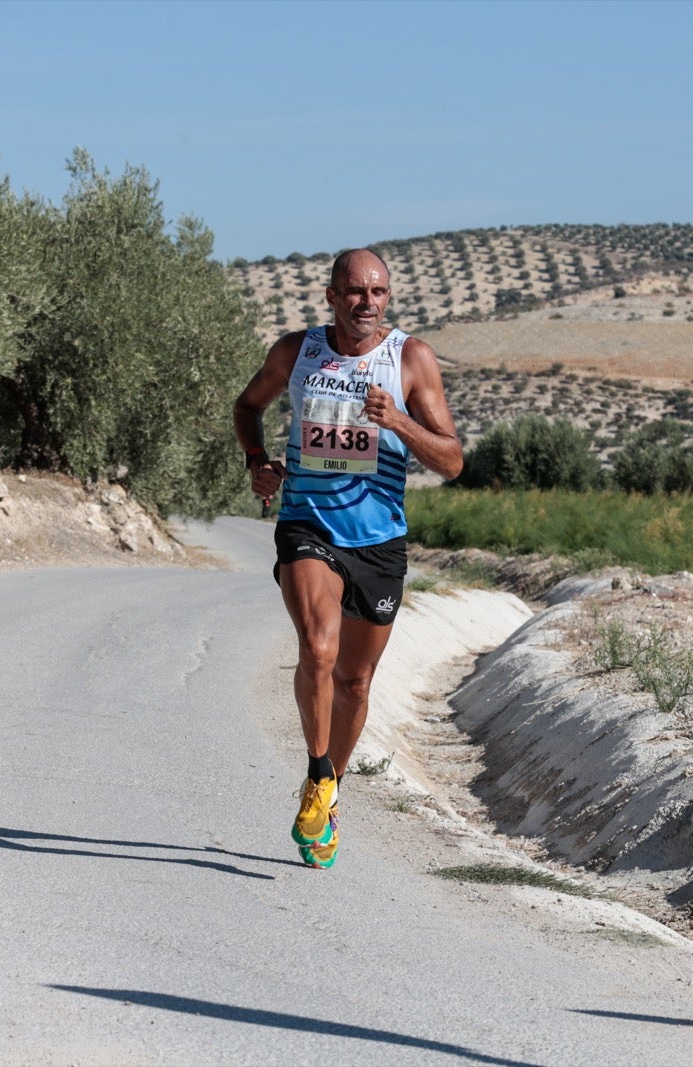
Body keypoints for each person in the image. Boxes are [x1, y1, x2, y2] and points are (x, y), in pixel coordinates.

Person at [232, 248, 462, 869]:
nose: (368, 303)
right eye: (355, 292)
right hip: (307, 524)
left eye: (378, 292)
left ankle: (332, 789)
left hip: (379, 537)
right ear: (331, 296)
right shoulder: (297, 351)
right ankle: (314, 772)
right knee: (319, 647)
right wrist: (258, 463)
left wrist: (401, 424)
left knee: (356, 681)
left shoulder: (410, 359)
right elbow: (246, 406)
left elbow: (451, 460)